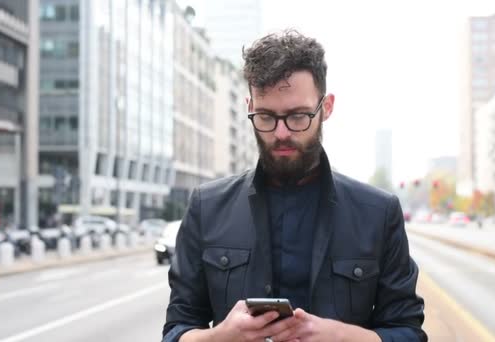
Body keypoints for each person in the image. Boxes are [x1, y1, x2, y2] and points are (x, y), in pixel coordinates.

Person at [163, 30, 426, 342]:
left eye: (298, 116)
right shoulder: (207, 207)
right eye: (265, 117)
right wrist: (219, 337)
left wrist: (343, 337)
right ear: (249, 106)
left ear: (326, 107)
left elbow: (408, 332)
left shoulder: (379, 212)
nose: (282, 133)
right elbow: (176, 331)